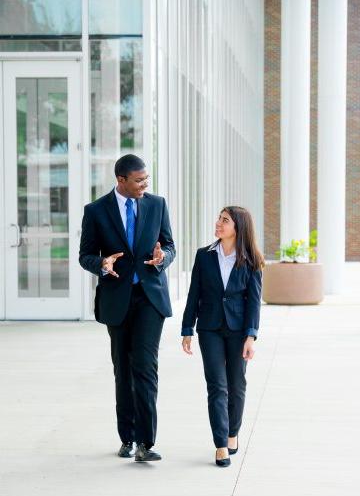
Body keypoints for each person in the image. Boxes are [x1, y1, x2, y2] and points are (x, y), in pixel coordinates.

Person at [79, 154, 175, 462]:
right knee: (123, 369)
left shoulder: (157, 204)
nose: (145, 185)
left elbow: (169, 245)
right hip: (117, 299)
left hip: (150, 297)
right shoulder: (95, 211)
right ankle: (127, 438)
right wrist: (102, 264)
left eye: (147, 179)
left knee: (145, 368)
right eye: (139, 180)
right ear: (121, 180)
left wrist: (164, 258)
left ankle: (146, 443)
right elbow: (85, 255)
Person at [181, 206, 264, 467]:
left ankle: (231, 433)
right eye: (219, 218)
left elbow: (254, 301)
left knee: (236, 384)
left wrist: (251, 336)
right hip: (210, 328)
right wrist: (187, 329)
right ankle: (220, 445)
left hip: (239, 330)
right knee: (217, 386)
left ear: (238, 227)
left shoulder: (252, 260)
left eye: (224, 220)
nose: (218, 223)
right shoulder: (204, 256)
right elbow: (195, 294)